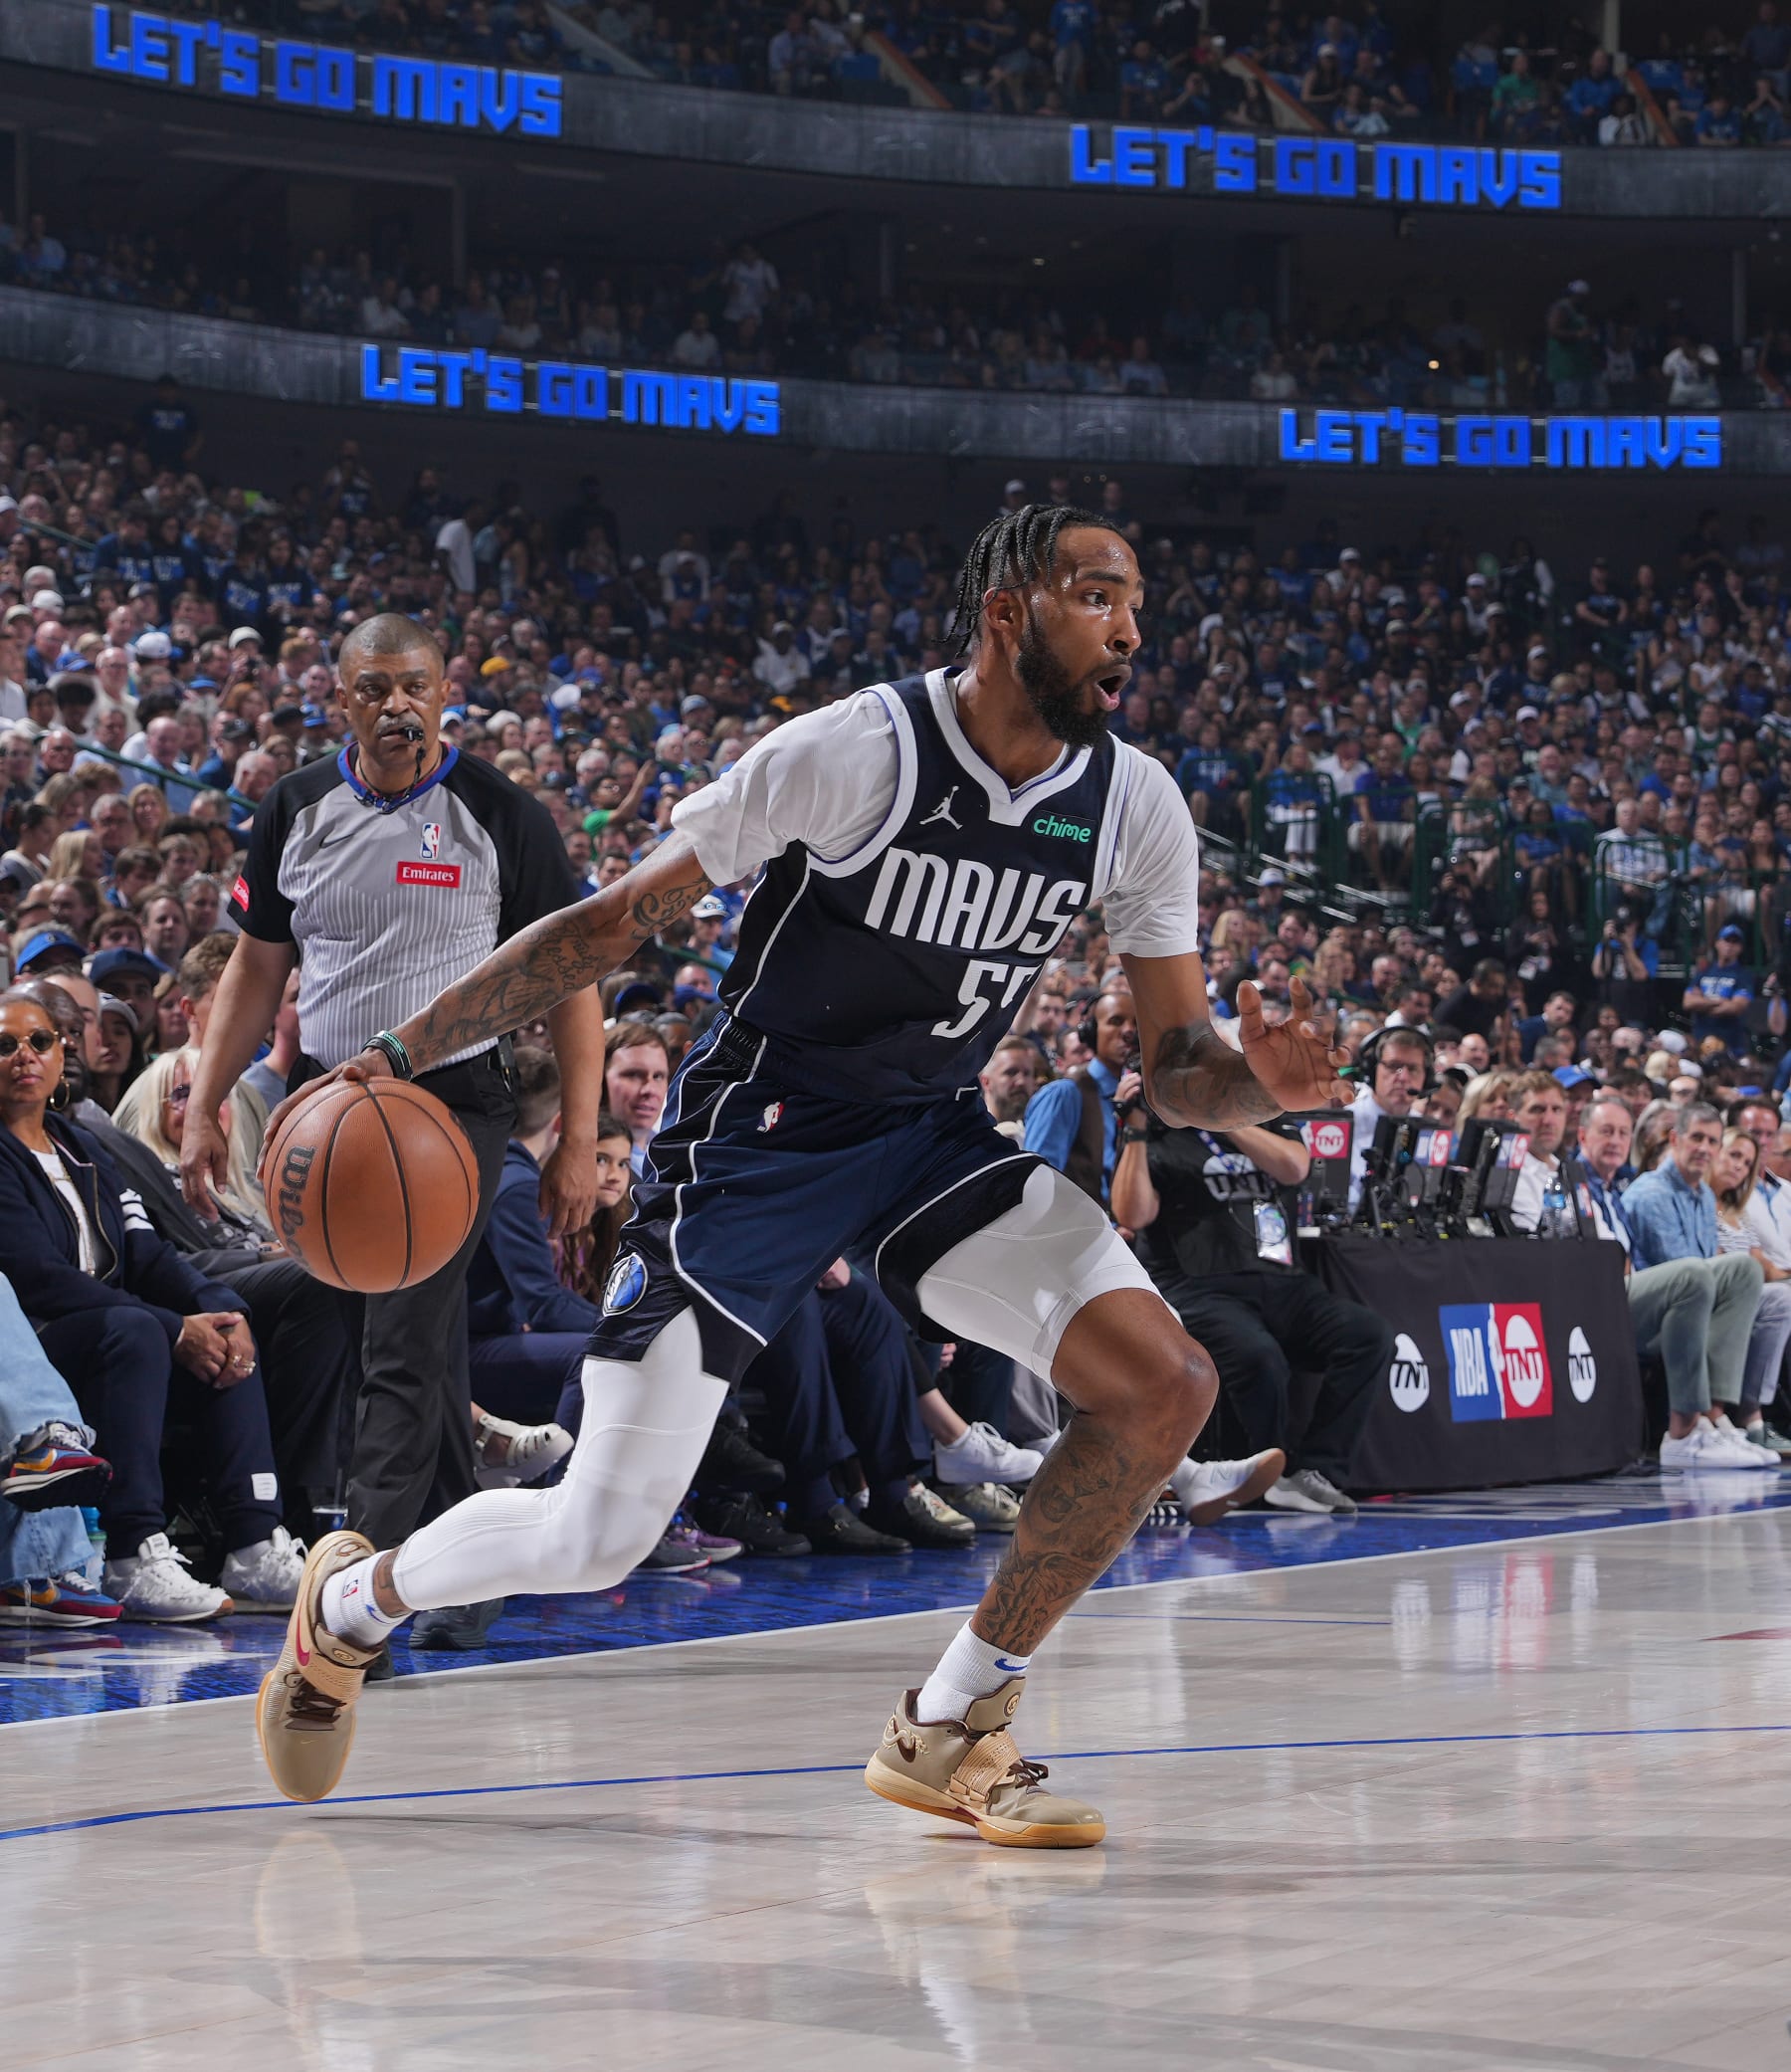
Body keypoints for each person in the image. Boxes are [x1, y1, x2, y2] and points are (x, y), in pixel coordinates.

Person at [252, 505, 1350, 1844]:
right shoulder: (858, 749)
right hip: (755, 1145)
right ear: (1008, 611)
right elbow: (612, 922)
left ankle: (952, 1722)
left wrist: (1259, 1086)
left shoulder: (1133, 801)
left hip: (927, 1138)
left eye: (1137, 601)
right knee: (599, 1534)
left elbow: (1180, 1061)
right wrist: (399, 1050)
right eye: (1098, 595)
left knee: (1165, 1382)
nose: (1131, 627)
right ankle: (350, 1606)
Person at [182, 615, 603, 1651]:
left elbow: (571, 981)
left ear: (445, 690)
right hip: (332, 1105)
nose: (395, 705)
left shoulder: (501, 813)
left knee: (401, 1344)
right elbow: (255, 969)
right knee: (413, 1333)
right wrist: (202, 1101)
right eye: (373, 689)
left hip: (455, 1107)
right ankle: (471, 1564)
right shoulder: (294, 806)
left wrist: (581, 1141)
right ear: (342, 701)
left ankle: (354, 1597)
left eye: (412, 685)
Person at [0, 987, 306, 1617]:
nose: (23, 1056)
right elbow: (34, 1276)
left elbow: (147, 1252)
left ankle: (255, 1541)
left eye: (38, 1042)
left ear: (61, 1056)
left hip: (113, 1331)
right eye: (4, 1046)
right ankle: (130, 1551)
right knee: (139, 1330)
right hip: (37, 1339)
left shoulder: (82, 1146)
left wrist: (220, 1308)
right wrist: (171, 1327)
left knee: (223, 1332)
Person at [1111, 1106, 1384, 1517]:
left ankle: (1317, 1470)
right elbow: (1132, 1214)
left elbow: (1294, 1167)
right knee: (1258, 1356)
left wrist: (1222, 1118)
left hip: (1282, 1280)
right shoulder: (1153, 1131)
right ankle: (1270, 1473)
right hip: (1196, 1284)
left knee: (1367, 1336)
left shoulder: (1263, 1117)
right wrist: (1133, 1129)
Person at [1600, 1101, 1772, 1468]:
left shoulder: (1705, 1195)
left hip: (1687, 1306)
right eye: (1696, 1138)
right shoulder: (1651, 1193)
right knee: (1694, 1274)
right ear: (1675, 1139)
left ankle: (1715, 1416)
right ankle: (1684, 1432)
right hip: (1645, 1310)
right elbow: (1678, 1272)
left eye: (1712, 1141)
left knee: (1745, 1270)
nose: (1705, 1149)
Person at [1021, 984, 1139, 1203]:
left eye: (1136, 1024)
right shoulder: (1064, 1094)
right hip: (1084, 1233)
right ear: (1091, 1031)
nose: (1128, 1032)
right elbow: (1037, 1187)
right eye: (1116, 1021)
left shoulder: (1145, 1096)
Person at [1711, 1127, 1791, 1448]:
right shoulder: (1699, 1202)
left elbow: (1765, 1267)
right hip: (1718, 1292)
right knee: (1780, 1301)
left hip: (1750, 1293)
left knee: (1781, 1297)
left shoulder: (1737, 1211)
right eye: (1733, 1156)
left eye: (1746, 1163)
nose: (1739, 1167)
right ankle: (1747, 1413)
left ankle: (1754, 1413)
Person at [1346, 1024, 1433, 1209]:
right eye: (1394, 1066)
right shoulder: (1345, 1124)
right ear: (1372, 1071)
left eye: (1413, 1069)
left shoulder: (1428, 1131)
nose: (1402, 1077)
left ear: (1427, 1078)